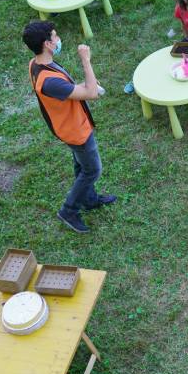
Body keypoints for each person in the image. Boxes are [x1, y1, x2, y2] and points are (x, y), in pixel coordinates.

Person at [22, 20, 115, 234]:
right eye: (55, 36)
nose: (58, 38)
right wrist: (86, 61)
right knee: (92, 170)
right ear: (47, 44)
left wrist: (83, 86)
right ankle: (69, 210)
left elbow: (71, 90)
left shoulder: (35, 64)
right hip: (76, 131)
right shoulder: (48, 81)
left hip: (67, 126)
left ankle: (89, 199)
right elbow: (90, 94)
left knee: (81, 165)